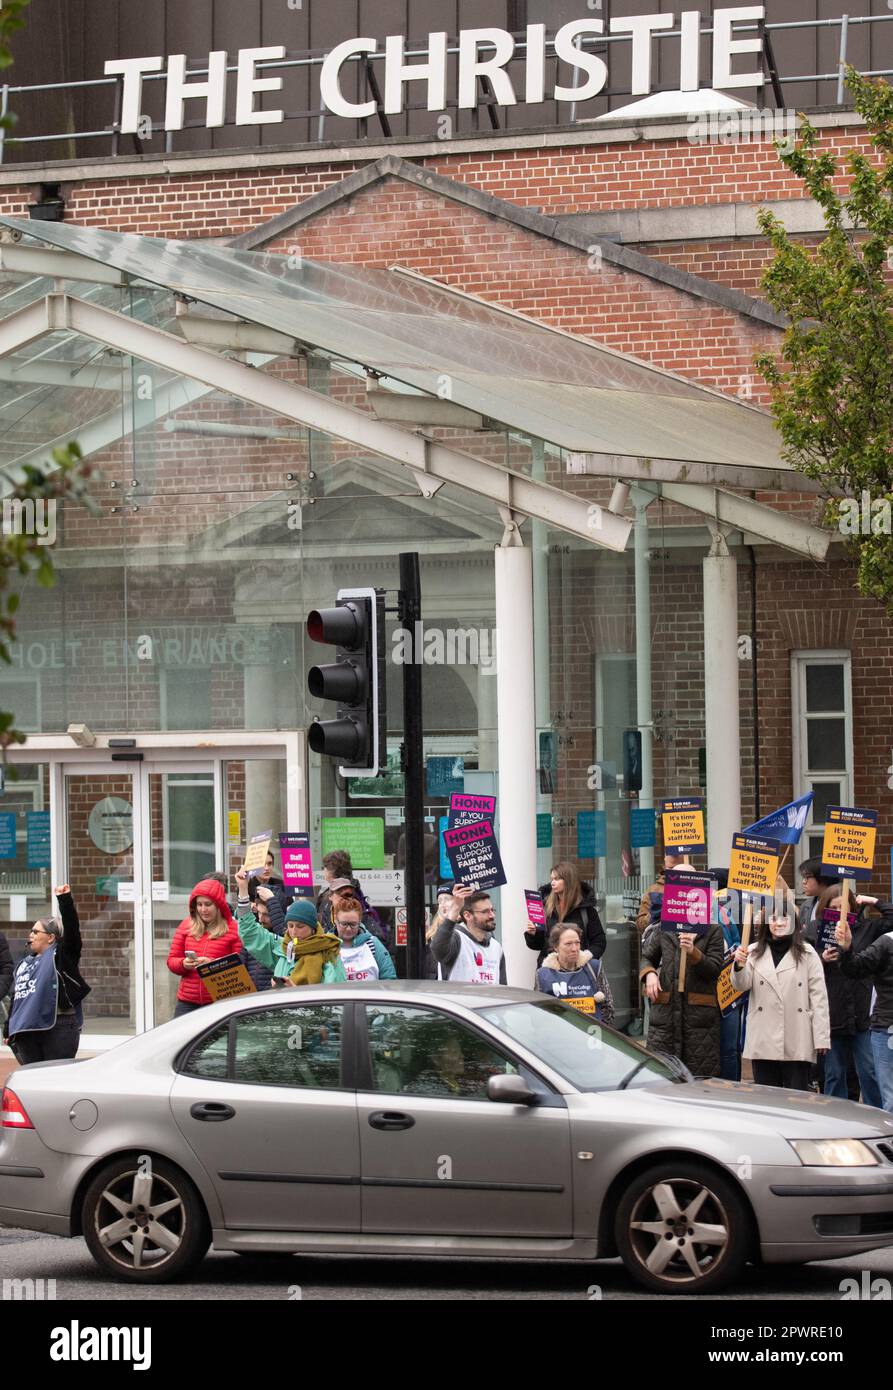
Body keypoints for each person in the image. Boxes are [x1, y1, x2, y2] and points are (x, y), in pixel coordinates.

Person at [731, 895, 830, 1091]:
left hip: (797, 1035)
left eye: (785, 918)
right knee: (767, 1101)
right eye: (774, 918)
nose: (779, 923)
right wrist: (738, 965)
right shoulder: (752, 951)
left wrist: (821, 1037)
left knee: (796, 1098)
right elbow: (741, 985)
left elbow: (818, 997)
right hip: (764, 1037)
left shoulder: (807, 954)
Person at [806, 884, 889, 1106]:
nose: (840, 912)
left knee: (869, 1072)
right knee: (834, 1074)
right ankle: (836, 1120)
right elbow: (803, 964)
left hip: (862, 1011)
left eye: (845, 907)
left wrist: (875, 902)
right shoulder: (814, 929)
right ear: (826, 909)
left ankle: (876, 1118)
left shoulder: (867, 928)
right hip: (833, 1010)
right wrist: (821, 958)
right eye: (834, 908)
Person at [6, 886, 89, 1064]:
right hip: (27, 1028)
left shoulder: (62, 956)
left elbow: (72, 930)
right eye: (31, 931)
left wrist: (64, 900)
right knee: (31, 1078)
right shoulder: (24, 964)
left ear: (51, 938)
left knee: (55, 1077)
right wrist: (7, 1028)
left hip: (58, 1027)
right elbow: (17, 996)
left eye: (36, 932)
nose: (31, 935)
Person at [639, 911, 724, 1076]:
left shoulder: (713, 930)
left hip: (699, 1023)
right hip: (665, 1020)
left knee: (699, 1081)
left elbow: (714, 970)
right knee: (662, 1077)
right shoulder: (664, 928)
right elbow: (647, 957)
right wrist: (650, 974)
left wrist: (693, 952)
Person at [237, 869, 346, 986]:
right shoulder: (282, 949)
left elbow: (335, 997)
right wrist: (243, 889)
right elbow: (249, 932)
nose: (294, 932)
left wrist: (294, 991)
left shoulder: (330, 953)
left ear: (313, 928)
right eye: (290, 926)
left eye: (300, 926)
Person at [836, 908, 893, 1112]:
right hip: (887, 1027)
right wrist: (847, 948)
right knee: (890, 1098)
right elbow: (854, 968)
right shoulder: (886, 943)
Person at [166, 877, 243, 1016]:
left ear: (219, 905)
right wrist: (183, 963)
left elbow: (241, 967)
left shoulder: (233, 928)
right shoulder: (186, 925)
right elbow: (172, 961)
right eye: (199, 904)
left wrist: (212, 966)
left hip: (220, 1002)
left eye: (208, 904)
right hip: (187, 1002)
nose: (203, 909)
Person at [524, 862, 605, 968]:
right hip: (550, 971)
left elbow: (599, 942)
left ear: (568, 881)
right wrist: (532, 934)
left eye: (557, 879)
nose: (552, 883)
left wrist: (583, 958)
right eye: (552, 879)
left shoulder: (586, 910)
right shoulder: (545, 907)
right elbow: (538, 945)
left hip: (577, 971)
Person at [535, 923, 615, 1023]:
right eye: (568, 944)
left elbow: (609, 1009)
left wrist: (597, 1027)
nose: (574, 949)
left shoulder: (594, 968)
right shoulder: (543, 975)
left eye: (577, 943)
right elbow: (539, 1014)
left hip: (591, 1034)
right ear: (556, 947)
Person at [710, 869, 747, 1082]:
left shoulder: (723, 912)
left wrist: (735, 952)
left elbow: (736, 939)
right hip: (706, 988)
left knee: (729, 1047)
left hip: (727, 987)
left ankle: (732, 1087)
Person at [431, 885, 506, 984]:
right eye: (485, 912)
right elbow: (437, 948)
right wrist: (455, 910)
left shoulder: (496, 947)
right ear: (467, 915)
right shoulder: (456, 939)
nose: (492, 915)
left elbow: (503, 988)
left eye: (492, 910)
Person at [331, 892, 397, 981]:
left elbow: (388, 977)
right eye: (344, 924)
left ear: (360, 921)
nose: (348, 929)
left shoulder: (372, 944)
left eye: (353, 924)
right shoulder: (326, 945)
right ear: (335, 920)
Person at [239, 883, 287, 992]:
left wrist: (272, 901)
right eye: (259, 913)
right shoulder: (256, 932)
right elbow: (241, 967)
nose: (261, 919)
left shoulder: (286, 938)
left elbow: (284, 939)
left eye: (266, 914)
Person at [798, 857, 841, 933]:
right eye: (803, 877)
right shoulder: (806, 905)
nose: (804, 882)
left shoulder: (844, 904)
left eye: (807, 877)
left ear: (822, 878)